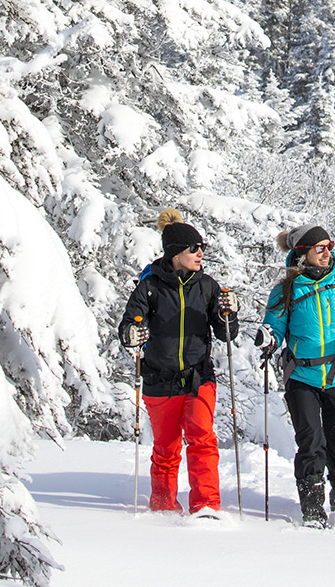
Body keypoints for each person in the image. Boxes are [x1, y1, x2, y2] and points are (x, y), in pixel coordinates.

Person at [118, 208, 239, 515]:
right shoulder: (150, 287)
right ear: (175, 253)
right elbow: (128, 325)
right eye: (194, 248)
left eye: (202, 248)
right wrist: (131, 333)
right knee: (166, 448)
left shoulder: (207, 286)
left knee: (202, 440)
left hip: (199, 377)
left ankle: (206, 506)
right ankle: (163, 509)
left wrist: (228, 314)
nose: (200, 254)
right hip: (160, 379)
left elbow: (226, 334)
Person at [257, 223, 335, 528]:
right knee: (310, 441)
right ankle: (312, 506)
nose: (327, 253)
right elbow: (274, 324)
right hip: (302, 377)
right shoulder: (285, 289)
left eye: (329, 246)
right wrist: (269, 337)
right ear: (302, 253)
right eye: (319, 248)